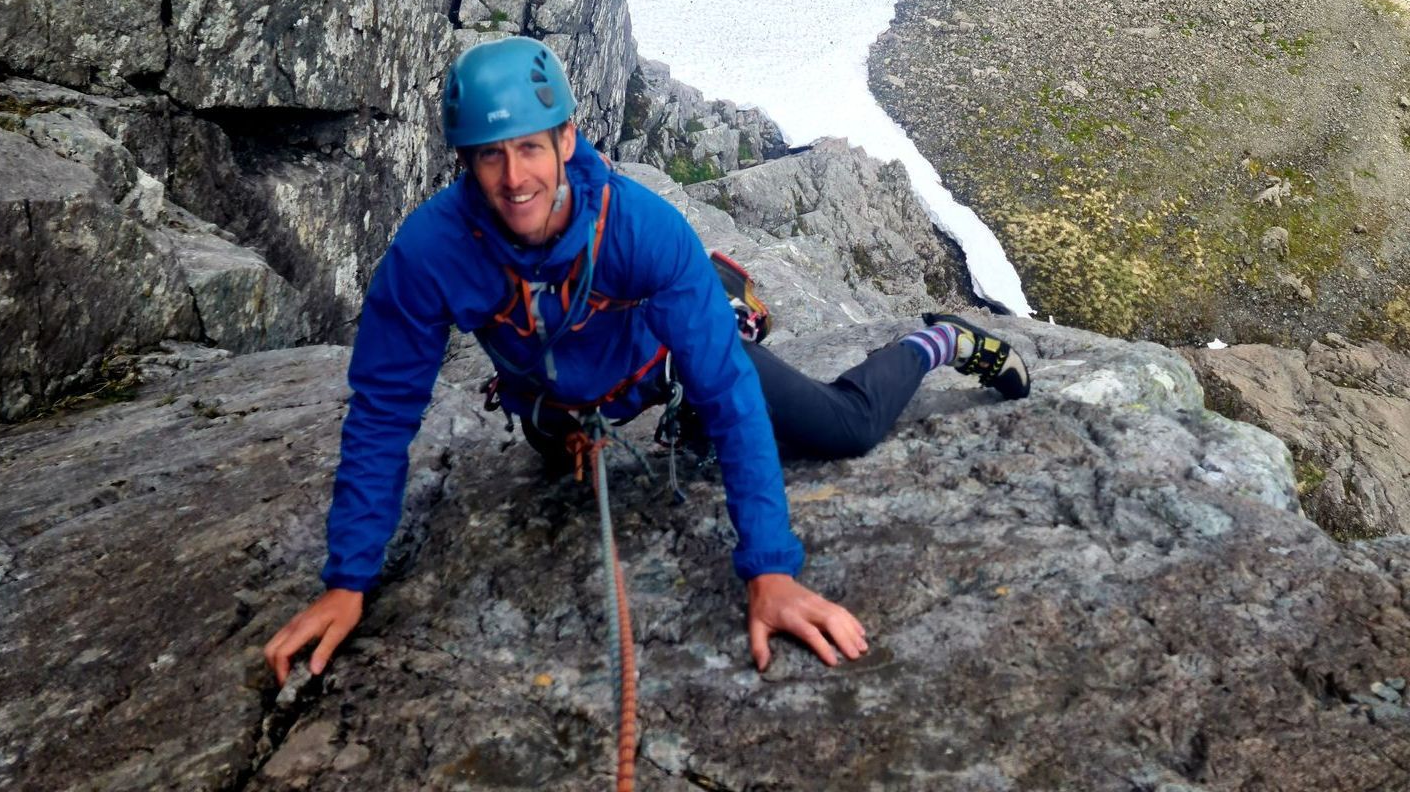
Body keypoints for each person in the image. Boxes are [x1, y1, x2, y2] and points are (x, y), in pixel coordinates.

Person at [264, 37, 1029, 685]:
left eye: (531, 147)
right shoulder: (430, 254)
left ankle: (941, 340)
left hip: (672, 368)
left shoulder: (640, 231)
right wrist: (347, 581)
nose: (515, 177)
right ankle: (597, 423)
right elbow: (382, 412)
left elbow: (729, 392)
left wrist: (770, 569)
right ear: (466, 161)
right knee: (554, 448)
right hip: (555, 406)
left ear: (567, 140)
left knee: (844, 427)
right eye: (490, 157)